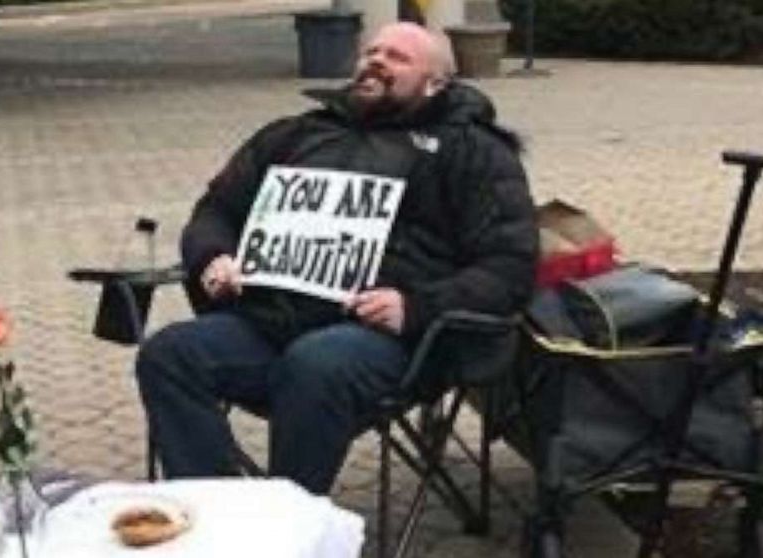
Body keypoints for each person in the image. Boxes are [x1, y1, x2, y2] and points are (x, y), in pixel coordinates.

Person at [135, 22, 538, 495]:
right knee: (170, 354)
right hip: (272, 322)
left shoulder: (473, 152)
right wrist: (213, 257)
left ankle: (290, 528)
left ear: (436, 83)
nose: (377, 60)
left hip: (394, 343)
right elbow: (217, 211)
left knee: (316, 364)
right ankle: (222, 517)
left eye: (398, 57)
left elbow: (508, 267)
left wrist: (416, 307)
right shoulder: (295, 135)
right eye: (372, 51)